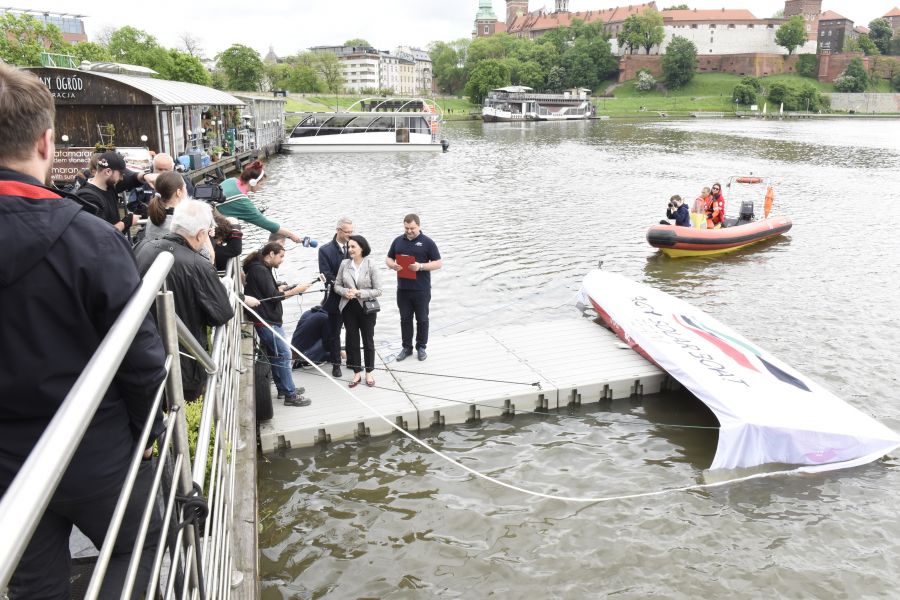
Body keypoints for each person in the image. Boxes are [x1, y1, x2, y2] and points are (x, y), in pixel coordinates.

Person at [0, 63, 166, 599]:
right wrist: (148, 429)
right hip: (94, 439)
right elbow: (142, 355)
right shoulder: (88, 238)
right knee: (139, 546)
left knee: (31, 582)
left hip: (6, 456)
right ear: (47, 142)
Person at [135, 200, 235, 402]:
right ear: (200, 234)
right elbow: (222, 313)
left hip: (142, 357)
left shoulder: (142, 247)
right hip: (184, 366)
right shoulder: (199, 265)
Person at [243, 243, 314, 406]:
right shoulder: (260, 270)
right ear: (271, 254)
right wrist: (296, 290)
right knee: (284, 354)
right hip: (266, 321)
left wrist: (279, 287)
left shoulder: (261, 267)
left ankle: (284, 389)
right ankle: (290, 395)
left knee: (277, 355)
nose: (282, 260)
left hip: (268, 319)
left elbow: (268, 291)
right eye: (281, 256)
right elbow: (274, 298)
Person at [385, 214, 442, 362]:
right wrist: (392, 265)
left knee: (422, 319)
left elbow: (438, 263)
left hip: (421, 289)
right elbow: (388, 258)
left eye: (412, 228)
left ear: (419, 226)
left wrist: (421, 266)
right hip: (403, 289)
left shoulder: (427, 242)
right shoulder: (398, 241)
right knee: (405, 319)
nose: (409, 231)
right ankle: (407, 348)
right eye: (406, 228)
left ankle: (421, 347)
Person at [334, 235, 382, 387]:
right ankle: (356, 373)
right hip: (348, 307)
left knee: (368, 339)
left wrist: (359, 292)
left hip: (367, 307)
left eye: (353, 247)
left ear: (362, 248)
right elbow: (336, 285)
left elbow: (378, 290)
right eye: (349, 247)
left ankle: (369, 372)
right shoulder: (344, 264)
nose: (350, 250)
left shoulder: (371, 264)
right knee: (352, 340)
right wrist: (345, 292)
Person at [217, 160, 305, 243]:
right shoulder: (243, 202)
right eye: (261, 184)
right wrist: (292, 235)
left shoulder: (231, 180)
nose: (262, 187)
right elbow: (268, 225)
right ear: (253, 182)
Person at [75, 150, 157, 234]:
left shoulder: (109, 185)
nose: (122, 178)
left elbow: (132, 178)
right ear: (108, 172)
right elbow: (101, 234)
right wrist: (126, 222)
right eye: (121, 174)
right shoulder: (88, 198)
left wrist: (145, 176)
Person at [318, 217, 355, 377]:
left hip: (353, 296)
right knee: (335, 333)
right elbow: (327, 274)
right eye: (347, 232)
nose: (349, 235)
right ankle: (336, 364)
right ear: (338, 230)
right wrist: (342, 288)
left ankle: (353, 359)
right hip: (335, 297)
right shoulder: (325, 250)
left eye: (351, 232)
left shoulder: (355, 247)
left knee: (353, 330)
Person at [128, 152, 195, 217]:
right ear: (152, 168)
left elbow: (190, 201)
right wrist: (149, 211)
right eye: (159, 169)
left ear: (173, 168)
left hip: (176, 220)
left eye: (166, 170)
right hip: (151, 220)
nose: (163, 173)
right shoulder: (144, 181)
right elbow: (132, 203)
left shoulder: (183, 181)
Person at [142, 170, 189, 243]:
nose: (186, 191)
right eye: (185, 187)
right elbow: (207, 254)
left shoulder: (152, 218)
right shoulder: (184, 222)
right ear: (178, 192)